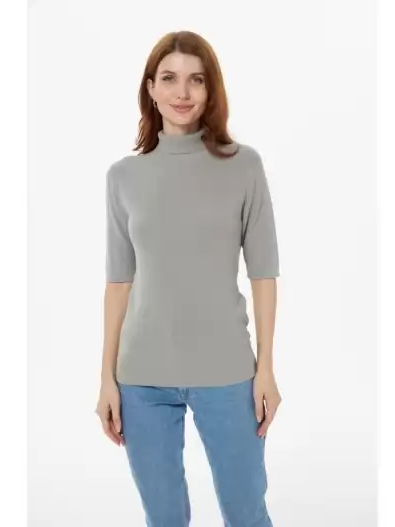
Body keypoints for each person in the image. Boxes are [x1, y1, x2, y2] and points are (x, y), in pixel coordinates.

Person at [95, 30, 282, 527]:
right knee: (164, 518)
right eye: (170, 79)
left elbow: (263, 273)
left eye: (196, 80)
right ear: (150, 88)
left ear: (211, 88)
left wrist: (265, 367)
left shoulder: (244, 166)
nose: (182, 92)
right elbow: (118, 283)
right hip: (141, 377)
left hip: (227, 372)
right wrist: (106, 378)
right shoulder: (123, 177)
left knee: (246, 513)